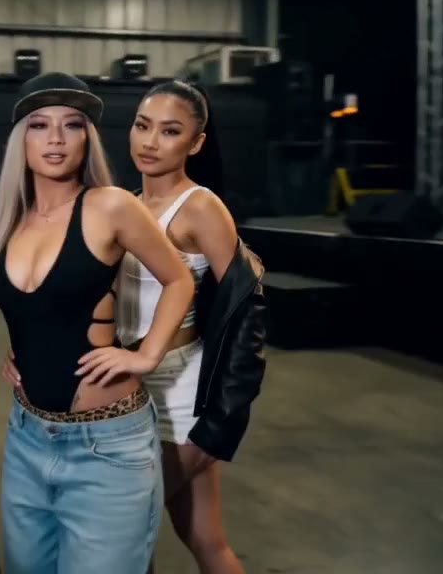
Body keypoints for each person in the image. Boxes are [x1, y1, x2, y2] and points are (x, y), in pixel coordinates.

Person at [0, 72, 195, 574]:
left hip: (106, 447)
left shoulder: (110, 206)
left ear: (87, 138)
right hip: (27, 437)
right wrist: (24, 350)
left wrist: (146, 354)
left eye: (72, 125)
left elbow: (179, 279)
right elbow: (38, 306)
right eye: (39, 125)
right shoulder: (11, 218)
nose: (55, 138)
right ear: (20, 139)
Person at [117, 80, 268, 573]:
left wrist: (225, 416)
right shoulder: (125, 203)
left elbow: (247, 310)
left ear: (196, 143)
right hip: (130, 383)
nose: (150, 142)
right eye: (142, 126)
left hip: (181, 392)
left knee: (122, 531)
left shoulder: (200, 207)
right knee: (206, 539)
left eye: (170, 131)